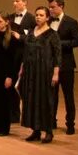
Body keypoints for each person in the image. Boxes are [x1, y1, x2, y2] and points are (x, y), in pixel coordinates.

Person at [20, 9, 63, 143]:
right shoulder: (32, 32)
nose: (38, 18)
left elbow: (57, 56)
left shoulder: (52, 34)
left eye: (41, 15)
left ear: (47, 17)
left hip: (45, 72)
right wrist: (22, 68)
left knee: (45, 100)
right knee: (32, 98)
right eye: (37, 15)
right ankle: (35, 130)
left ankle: (48, 131)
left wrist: (56, 74)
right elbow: (26, 52)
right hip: (31, 71)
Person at [46, 0, 78, 134]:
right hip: (51, 64)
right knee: (52, 95)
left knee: (68, 96)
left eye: (53, 7)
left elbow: (77, 41)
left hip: (66, 64)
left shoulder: (71, 22)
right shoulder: (48, 21)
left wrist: (58, 44)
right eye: (49, 7)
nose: (50, 10)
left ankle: (70, 124)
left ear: (61, 6)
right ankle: (52, 121)